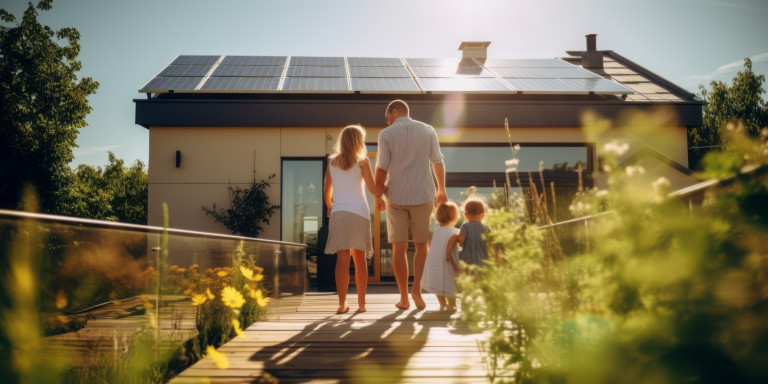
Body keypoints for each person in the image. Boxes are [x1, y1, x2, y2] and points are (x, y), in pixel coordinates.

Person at [374, 99, 448, 310]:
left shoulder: (386, 134)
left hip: (395, 196)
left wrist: (377, 195)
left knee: (399, 246)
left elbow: (382, 168)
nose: (387, 121)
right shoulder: (428, 130)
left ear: (394, 112)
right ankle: (417, 288)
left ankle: (404, 298)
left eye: (387, 117)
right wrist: (441, 190)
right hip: (424, 194)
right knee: (422, 244)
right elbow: (437, 161)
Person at [323, 125, 387, 314]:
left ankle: (342, 304)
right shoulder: (363, 161)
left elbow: (327, 193)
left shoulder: (332, 162)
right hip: (359, 213)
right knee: (360, 260)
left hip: (339, 213)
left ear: (342, 140)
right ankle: (361, 304)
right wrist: (388, 186)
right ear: (359, 141)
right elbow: (374, 190)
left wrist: (330, 207)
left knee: (342, 259)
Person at [421, 202, 461, 311]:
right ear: (455, 217)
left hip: (434, 262)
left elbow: (431, 246)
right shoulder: (456, 231)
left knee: (437, 283)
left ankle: (442, 304)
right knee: (450, 283)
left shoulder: (435, 232)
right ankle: (452, 305)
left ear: (438, 217)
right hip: (449, 262)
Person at [447, 199, 490, 269]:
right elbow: (490, 244)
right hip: (483, 259)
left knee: (468, 277)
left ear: (465, 215)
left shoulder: (465, 226)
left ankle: (448, 255)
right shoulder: (486, 228)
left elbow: (461, 241)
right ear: (483, 214)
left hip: (467, 259)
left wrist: (455, 238)